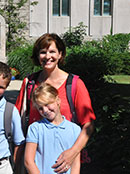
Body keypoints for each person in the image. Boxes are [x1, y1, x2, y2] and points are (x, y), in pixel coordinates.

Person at [15, 33, 96, 173]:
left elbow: (88, 124)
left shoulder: (75, 84)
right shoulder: (29, 83)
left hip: (65, 162)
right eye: (43, 52)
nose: (47, 56)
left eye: (52, 51)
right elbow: (17, 122)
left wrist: (73, 152)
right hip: (35, 164)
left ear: (60, 54)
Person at [24, 83, 81, 174]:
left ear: (57, 100)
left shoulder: (75, 129)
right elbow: (28, 161)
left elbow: (76, 162)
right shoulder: (35, 128)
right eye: (40, 108)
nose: (45, 110)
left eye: (47, 104)